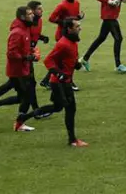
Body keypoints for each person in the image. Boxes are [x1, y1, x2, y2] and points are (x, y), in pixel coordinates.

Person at [15, 18, 87, 147]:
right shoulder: (63, 43)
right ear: (69, 29)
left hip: (64, 81)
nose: (80, 28)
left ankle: (22, 118)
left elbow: (66, 59)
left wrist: (76, 65)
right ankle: (72, 140)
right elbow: (48, 60)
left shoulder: (72, 42)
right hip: (60, 83)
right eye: (77, 26)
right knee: (70, 109)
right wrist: (59, 74)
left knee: (57, 107)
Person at [0, 7, 38, 130]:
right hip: (18, 71)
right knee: (26, 97)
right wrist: (27, 57)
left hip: (22, 69)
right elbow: (11, 53)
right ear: (22, 17)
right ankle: (19, 123)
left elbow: (23, 47)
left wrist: (32, 52)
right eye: (29, 14)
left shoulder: (25, 28)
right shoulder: (17, 32)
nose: (32, 15)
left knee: (21, 96)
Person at [81, 0, 126, 73]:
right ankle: (118, 65)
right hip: (109, 16)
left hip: (113, 15)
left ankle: (85, 59)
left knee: (101, 38)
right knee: (118, 38)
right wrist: (109, 1)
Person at [44, 0, 84, 90]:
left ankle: (46, 81)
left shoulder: (77, 3)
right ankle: (68, 82)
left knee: (65, 60)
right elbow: (51, 18)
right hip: (62, 36)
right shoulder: (62, 5)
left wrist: (78, 17)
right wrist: (65, 23)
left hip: (72, 35)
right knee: (64, 61)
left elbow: (74, 19)